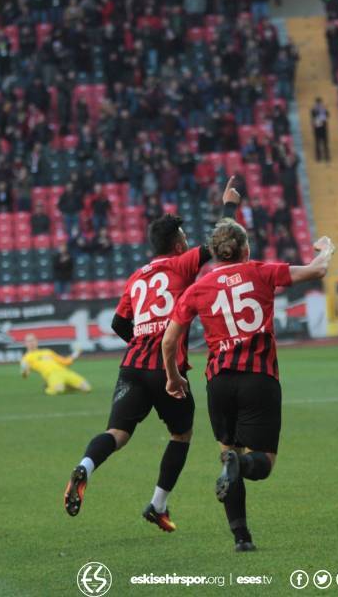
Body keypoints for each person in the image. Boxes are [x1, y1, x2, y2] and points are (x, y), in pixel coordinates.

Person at [63, 177, 241, 533]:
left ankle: (86, 465)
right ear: (177, 244)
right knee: (181, 434)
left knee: (117, 433)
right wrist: (230, 206)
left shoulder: (135, 277)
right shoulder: (181, 264)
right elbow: (222, 241)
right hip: (167, 367)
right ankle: (157, 505)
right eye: (186, 239)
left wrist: (141, 340)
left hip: (132, 366)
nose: (189, 243)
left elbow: (117, 322)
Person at [162, 221, 335, 552]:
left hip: (219, 383)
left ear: (214, 253)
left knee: (228, 454)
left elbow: (169, 342)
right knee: (262, 463)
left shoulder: (197, 289)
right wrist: (326, 248)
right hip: (259, 379)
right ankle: (238, 465)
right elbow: (318, 270)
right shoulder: (262, 272)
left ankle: (242, 538)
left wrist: (173, 376)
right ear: (245, 249)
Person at [20, 334, 90, 395]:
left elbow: (65, 362)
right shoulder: (26, 358)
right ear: (25, 343)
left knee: (87, 388)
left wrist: (76, 353)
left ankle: (65, 386)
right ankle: (47, 389)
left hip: (65, 372)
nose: (31, 343)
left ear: (37, 341)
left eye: (33, 340)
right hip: (52, 375)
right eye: (29, 341)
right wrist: (24, 372)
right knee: (59, 390)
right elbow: (25, 374)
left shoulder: (47, 351)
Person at [311, 97, 330, 161]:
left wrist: (323, 110)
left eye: (320, 103)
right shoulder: (313, 110)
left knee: (325, 143)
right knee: (317, 143)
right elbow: (313, 116)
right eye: (318, 103)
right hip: (317, 128)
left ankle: (326, 156)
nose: (319, 105)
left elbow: (328, 115)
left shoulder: (323, 110)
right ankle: (318, 157)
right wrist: (318, 112)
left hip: (323, 128)